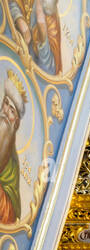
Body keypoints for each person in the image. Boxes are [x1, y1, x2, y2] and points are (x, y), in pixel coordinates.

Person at [0, 75, 27, 225]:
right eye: (5, 104)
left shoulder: (5, 131)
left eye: (12, 111)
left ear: (15, 122)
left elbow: (11, 212)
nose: (5, 112)